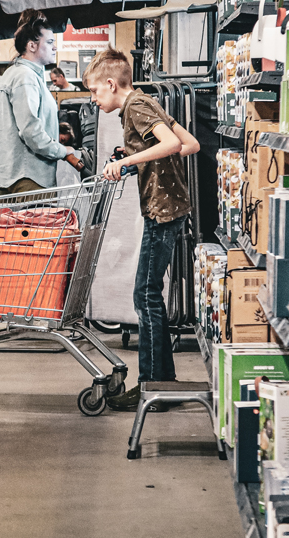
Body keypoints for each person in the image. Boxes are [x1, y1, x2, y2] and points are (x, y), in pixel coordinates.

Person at [83, 48, 201, 412]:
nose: (93, 98)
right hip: (169, 209)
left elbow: (172, 145)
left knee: (145, 296)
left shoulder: (136, 105)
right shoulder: (143, 103)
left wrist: (129, 161)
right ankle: (162, 381)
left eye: (95, 92)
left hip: (162, 212)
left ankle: (152, 386)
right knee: (149, 294)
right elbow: (190, 144)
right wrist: (135, 154)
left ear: (110, 83)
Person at [0, 10, 83, 194]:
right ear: (31, 45)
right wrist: (63, 151)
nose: (55, 48)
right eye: (50, 42)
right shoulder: (25, 77)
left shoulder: (23, 75)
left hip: (22, 176)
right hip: (27, 178)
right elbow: (32, 133)